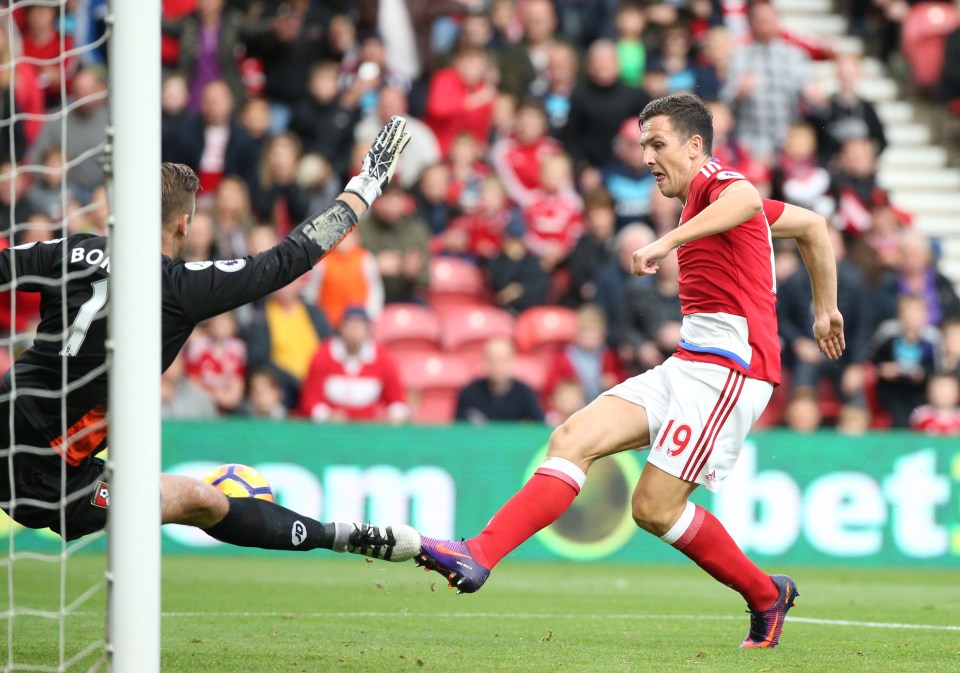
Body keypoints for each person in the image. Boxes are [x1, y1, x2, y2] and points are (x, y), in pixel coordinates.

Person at [412, 94, 845, 650]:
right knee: (573, 437)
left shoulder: (718, 182)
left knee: (653, 508)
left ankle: (766, 596)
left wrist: (666, 240)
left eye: (658, 144)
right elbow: (811, 225)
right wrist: (824, 308)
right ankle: (477, 554)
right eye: (643, 146)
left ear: (694, 146)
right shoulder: (702, 197)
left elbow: (742, 197)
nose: (647, 157)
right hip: (691, 361)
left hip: (732, 370)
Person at [0, 117, 420, 563]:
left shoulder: (70, 250)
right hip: (56, 474)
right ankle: (345, 535)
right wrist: (368, 183)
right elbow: (291, 257)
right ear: (183, 225)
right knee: (203, 501)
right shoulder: (181, 287)